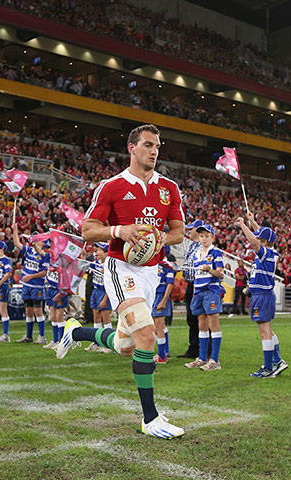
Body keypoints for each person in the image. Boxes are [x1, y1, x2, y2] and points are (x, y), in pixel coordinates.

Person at [56, 124, 186, 439]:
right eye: (148, 145)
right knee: (146, 336)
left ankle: (77, 332)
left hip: (151, 273)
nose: (154, 151)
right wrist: (121, 231)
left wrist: (158, 240)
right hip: (120, 269)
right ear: (131, 148)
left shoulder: (169, 188)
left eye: (157, 146)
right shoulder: (112, 186)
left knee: (125, 346)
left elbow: (178, 232)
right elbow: (88, 230)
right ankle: (150, 418)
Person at [233, 213, 288, 378]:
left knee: (264, 332)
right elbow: (262, 236)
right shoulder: (270, 252)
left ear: (264, 243)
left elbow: (256, 241)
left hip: (262, 295)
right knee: (268, 331)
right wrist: (252, 221)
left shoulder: (265, 253)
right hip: (263, 295)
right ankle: (277, 362)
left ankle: (268, 368)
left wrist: (243, 225)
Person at [184, 223, 224, 371]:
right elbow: (196, 277)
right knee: (201, 325)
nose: (204, 239)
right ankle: (201, 358)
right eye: (201, 236)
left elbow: (220, 274)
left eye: (207, 236)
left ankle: (214, 360)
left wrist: (210, 270)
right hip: (198, 291)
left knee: (213, 325)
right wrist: (195, 291)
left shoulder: (216, 253)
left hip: (211, 291)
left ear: (212, 237)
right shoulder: (196, 254)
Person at [13, 227, 49, 344]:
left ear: (42, 243)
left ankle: (42, 336)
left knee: (38, 311)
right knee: (28, 311)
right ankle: (29, 336)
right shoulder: (28, 250)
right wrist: (14, 230)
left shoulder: (45, 255)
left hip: (37, 286)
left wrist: (30, 277)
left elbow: (44, 272)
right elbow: (17, 243)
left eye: (38, 239)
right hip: (26, 286)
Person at [178, 219, 203, 358]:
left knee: (200, 317)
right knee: (191, 318)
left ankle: (204, 348)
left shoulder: (201, 247)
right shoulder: (192, 245)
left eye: (191, 229)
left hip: (198, 283)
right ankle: (193, 347)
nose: (188, 231)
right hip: (190, 283)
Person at [85, 242, 113, 353]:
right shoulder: (95, 263)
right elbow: (84, 267)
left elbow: (110, 285)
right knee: (96, 317)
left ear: (106, 253)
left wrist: (105, 299)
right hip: (95, 291)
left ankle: (109, 343)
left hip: (104, 292)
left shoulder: (109, 266)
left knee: (105, 318)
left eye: (99, 250)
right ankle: (97, 342)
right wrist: (83, 256)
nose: (96, 252)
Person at [152, 250, 175, 363]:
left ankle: (161, 356)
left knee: (158, 326)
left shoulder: (167, 265)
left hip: (160, 296)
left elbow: (170, 284)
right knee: (158, 326)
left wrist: (164, 301)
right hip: (152, 296)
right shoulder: (152, 263)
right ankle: (165, 351)